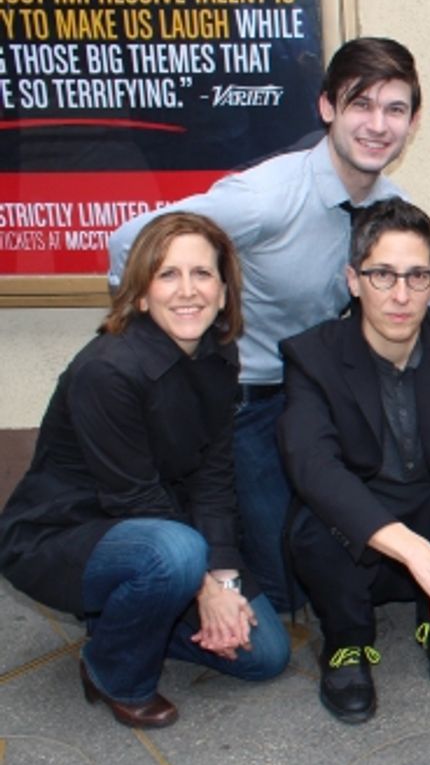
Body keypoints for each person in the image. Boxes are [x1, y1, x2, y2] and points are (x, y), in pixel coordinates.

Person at [107, 37, 424, 613]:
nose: (378, 125)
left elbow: (420, 303)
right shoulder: (265, 198)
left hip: (316, 390)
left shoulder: (389, 205)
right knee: (284, 590)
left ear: (412, 122)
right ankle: (177, 577)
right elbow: (132, 240)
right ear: (327, 107)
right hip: (246, 400)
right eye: (361, 104)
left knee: (341, 557)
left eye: (394, 109)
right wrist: (159, 341)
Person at [0, 213, 290, 729]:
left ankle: (132, 618)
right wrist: (205, 591)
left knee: (266, 655)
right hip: (62, 536)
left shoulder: (218, 355)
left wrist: (224, 583)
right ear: (139, 295)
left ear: (224, 291)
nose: (188, 291)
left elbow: (214, 476)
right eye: (167, 274)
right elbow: (132, 497)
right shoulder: (107, 370)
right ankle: (113, 671)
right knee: (175, 554)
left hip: (163, 532)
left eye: (202, 274)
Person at [277, 199, 430, 724]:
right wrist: (419, 557)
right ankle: (347, 641)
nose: (401, 295)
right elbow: (313, 466)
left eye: (417, 276)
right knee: (315, 520)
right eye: (383, 275)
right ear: (353, 280)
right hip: (362, 528)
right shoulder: (312, 355)